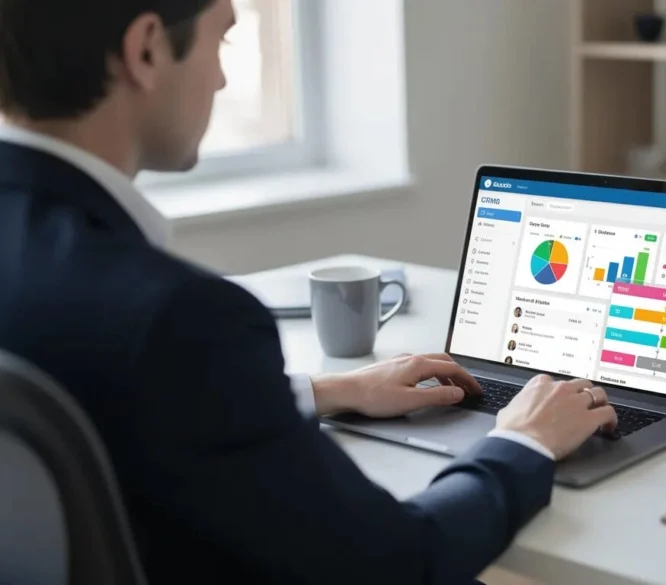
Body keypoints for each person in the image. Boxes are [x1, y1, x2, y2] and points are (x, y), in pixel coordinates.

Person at [0, 2, 618, 584]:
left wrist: (326, 391)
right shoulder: (182, 319)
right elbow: (399, 562)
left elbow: (107, 392)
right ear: (146, 50)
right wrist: (524, 440)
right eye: (223, 38)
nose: (219, 79)